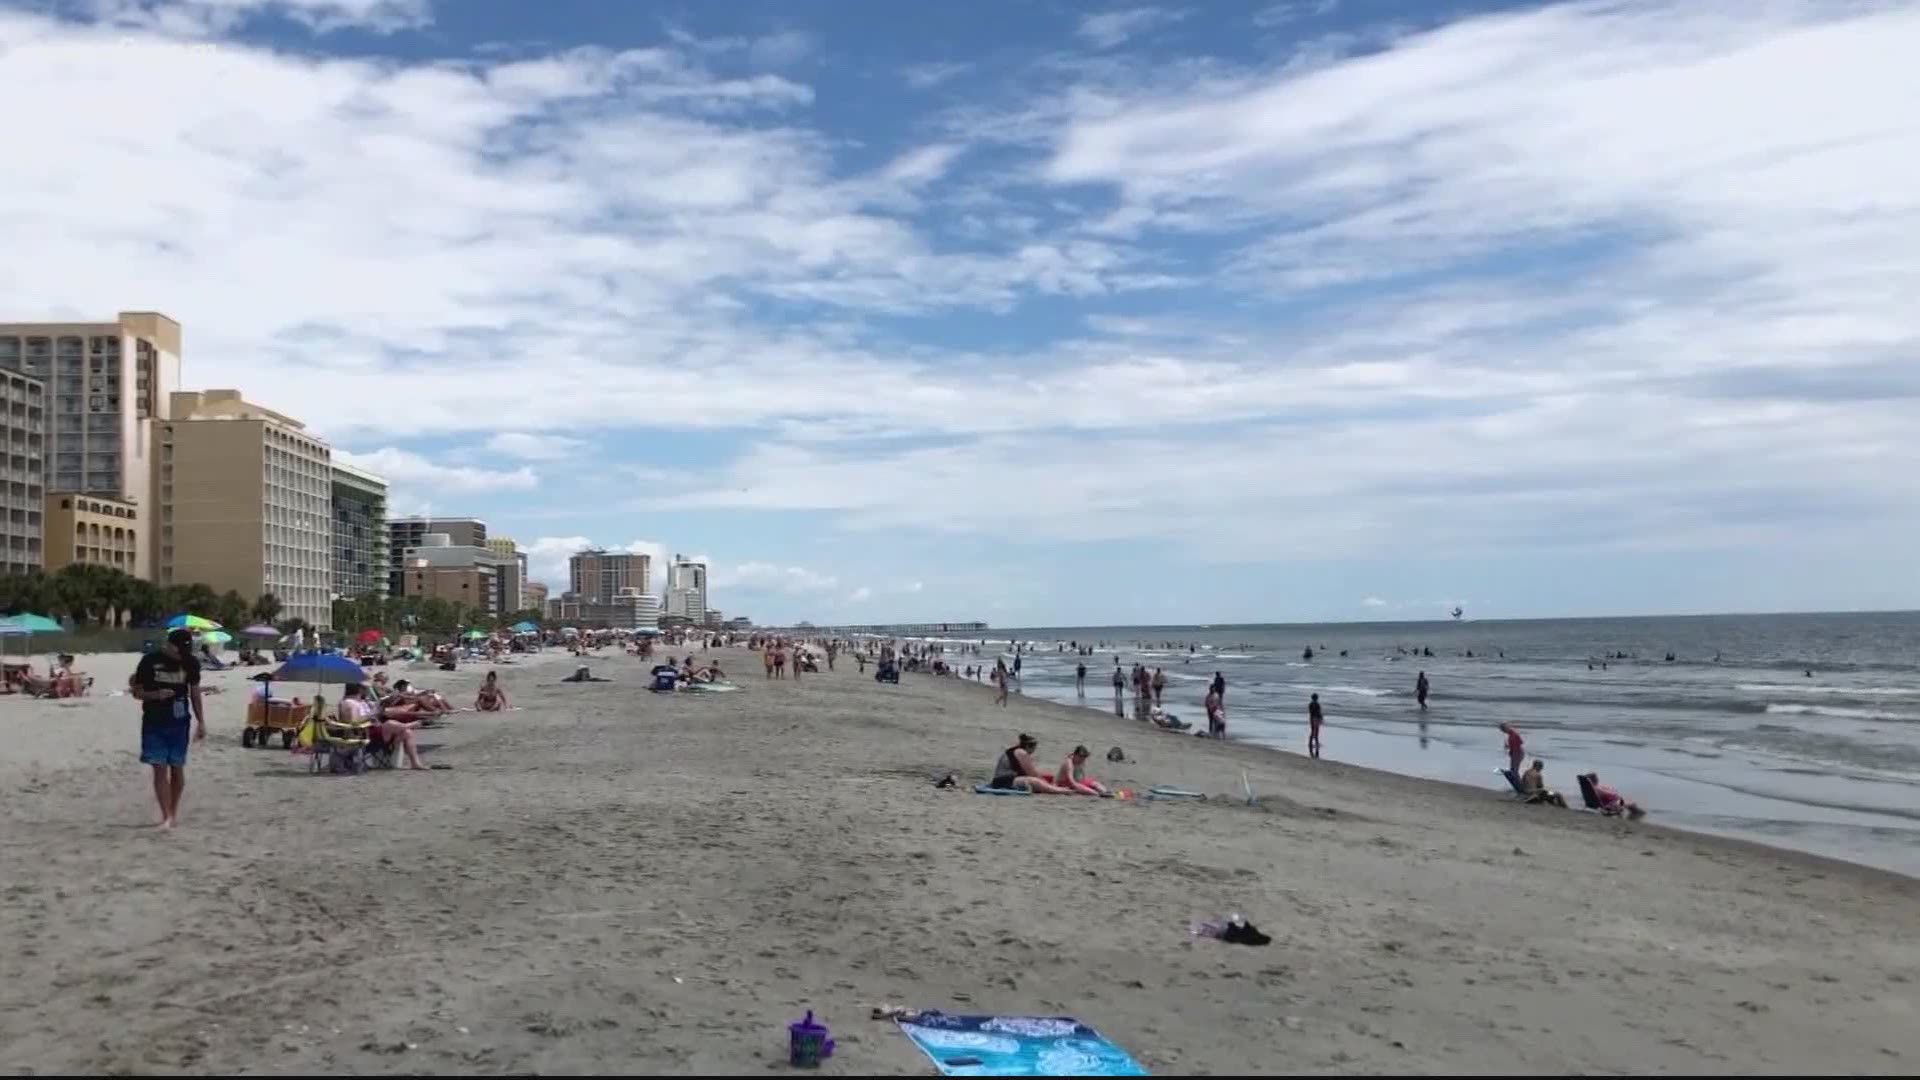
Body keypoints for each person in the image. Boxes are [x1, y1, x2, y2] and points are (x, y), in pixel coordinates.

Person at [129, 628, 205, 830]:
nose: (181, 654)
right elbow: (137, 692)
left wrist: (201, 722)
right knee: (159, 768)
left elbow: (195, 693)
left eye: (185, 650)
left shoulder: (190, 662)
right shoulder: (149, 661)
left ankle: (173, 811)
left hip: (180, 721)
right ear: (169, 645)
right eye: (179, 650)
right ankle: (166, 816)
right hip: (154, 721)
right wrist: (156, 695)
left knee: (177, 767)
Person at [343, 683, 427, 770]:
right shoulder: (350, 703)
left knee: (407, 732)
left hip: (372, 730)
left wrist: (377, 709)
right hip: (363, 734)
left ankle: (415, 763)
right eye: (367, 689)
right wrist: (370, 714)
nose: (368, 692)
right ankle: (408, 725)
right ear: (360, 690)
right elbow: (353, 722)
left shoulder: (360, 701)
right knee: (390, 724)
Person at [987, 734, 1071, 793]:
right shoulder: (1022, 753)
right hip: (1004, 782)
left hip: (1006, 779)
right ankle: (1059, 790)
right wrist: (1048, 783)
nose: (1033, 751)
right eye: (1034, 748)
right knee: (1034, 781)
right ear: (1028, 747)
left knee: (1043, 775)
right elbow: (1032, 774)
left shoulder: (1015, 750)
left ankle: (1055, 786)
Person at [1307, 693, 1323, 759]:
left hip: (1311, 718)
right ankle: (1316, 743)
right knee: (1316, 732)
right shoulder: (1317, 704)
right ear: (1317, 698)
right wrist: (1321, 718)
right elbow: (1319, 712)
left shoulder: (1310, 704)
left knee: (1312, 731)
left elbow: (1311, 712)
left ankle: (1310, 743)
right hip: (1316, 718)